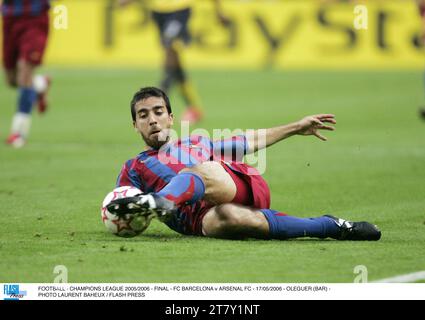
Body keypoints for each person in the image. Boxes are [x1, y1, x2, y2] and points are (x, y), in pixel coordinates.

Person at [106, 87, 381, 241]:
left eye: (158, 112)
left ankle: (162, 200)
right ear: (135, 125)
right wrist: (128, 218)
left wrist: (296, 127)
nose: (152, 120)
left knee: (205, 169)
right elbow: (121, 209)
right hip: (200, 219)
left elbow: (247, 141)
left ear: (170, 118)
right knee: (231, 219)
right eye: (143, 115)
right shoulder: (133, 168)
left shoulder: (195, 143)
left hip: (235, 186)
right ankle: (331, 226)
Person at [117, 0, 229, 123]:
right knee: (174, 59)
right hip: (158, 11)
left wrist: (219, 11)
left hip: (180, 9)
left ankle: (159, 97)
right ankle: (193, 108)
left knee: (169, 44)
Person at [1, 0, 52, 148]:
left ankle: (18, 133)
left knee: (25, 72)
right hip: (9, 16)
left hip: (35, 18)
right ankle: (40, 84)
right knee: (12, 80)